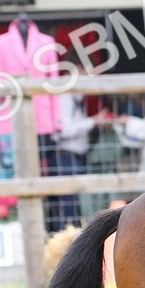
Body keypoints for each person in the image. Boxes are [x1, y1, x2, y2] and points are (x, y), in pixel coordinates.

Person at [48, 60, 112, 232]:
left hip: (74, 157)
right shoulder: (64, 96)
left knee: (73, 208)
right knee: (67, 209)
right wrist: (93, 121)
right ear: (77, 70)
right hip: (65, 157)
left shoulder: (74, 97)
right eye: (88, 73)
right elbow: (61, 131)